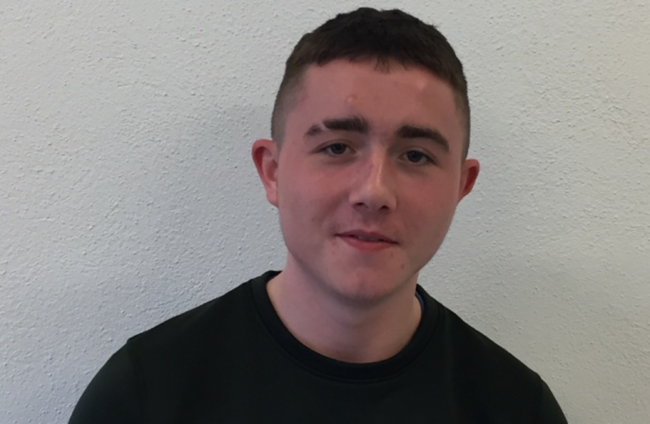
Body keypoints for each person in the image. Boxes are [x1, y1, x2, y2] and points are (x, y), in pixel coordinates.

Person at [69, 7, 567, 423]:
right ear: (272, 172)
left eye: (416, 155)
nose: (374, 192)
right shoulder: (145, 395)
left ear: (461, 185)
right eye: (337, 147)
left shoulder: (518, 408)